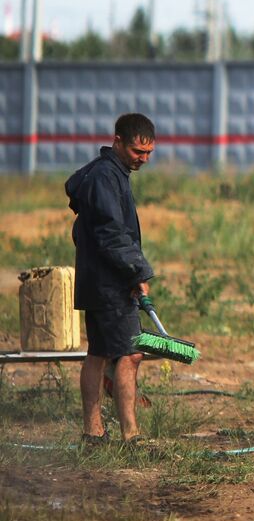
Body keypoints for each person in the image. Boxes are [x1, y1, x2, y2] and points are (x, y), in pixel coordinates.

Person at [66, 112, 157, 444]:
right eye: (137, 152)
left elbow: (90, 231)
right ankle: (130, 436)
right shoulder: (105, 177)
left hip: (100, 281)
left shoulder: (109, 173)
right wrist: (138, 272)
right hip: (109, 284)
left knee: (99, 352)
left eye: (148, 153)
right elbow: (111, 234)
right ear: (117, 141)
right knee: (131, 354)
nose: (143, 159)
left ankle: (93, 433)